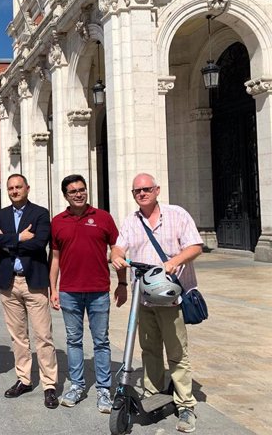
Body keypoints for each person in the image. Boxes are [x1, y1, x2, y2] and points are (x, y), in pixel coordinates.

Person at [111, 173, 202, 433]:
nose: (142, 193)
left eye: (146, 189)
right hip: (145, 298)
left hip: (171, 297)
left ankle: (185, 403)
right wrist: (116, 256)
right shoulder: (132, 220)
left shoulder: (177, 215)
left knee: (176, 352)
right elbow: (118, 247)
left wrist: (175, 261)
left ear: (157, 190)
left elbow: (195, 246)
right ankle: (153, 392)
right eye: (137, 191)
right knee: (149, 349)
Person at [48, 174, 127, 413]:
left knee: (101, 341)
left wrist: (122, 284)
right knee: (74, 341)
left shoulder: (103, 218)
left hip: (99, 290)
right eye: (73, 191)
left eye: (82, 189)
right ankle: (77, 386)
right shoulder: (58, 221)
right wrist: (53, 289)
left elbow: (118, 251)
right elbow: (55, 258)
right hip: (70, 291)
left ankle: (104, 390)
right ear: (65, 195)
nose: (79, 194)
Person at [0, 174, 59, 409]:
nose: (15, 191)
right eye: (11, 188)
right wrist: (19, 237)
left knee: (43, 336)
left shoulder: (39, 213)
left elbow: (39, 243)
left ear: (27, 188)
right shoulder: (0, 215)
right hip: (9, 283)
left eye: (18, 187)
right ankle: (24, 379)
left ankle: (49, 385)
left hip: (34, 282)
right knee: (18, 336)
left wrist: (7, 241)